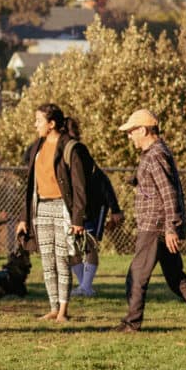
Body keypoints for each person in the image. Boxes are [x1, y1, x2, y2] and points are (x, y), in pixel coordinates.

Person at [117, 107, 186, 334]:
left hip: (155, 226)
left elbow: (168, 192)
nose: (129, 136)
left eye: (132, 131)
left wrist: (171, 229)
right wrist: (137, 180)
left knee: (136, 275)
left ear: (144, 130)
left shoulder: (155, 155)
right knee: (175, 278)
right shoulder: (156, 152)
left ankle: (131, 324)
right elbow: (159, 186)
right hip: (161, 226)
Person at [20, 102, 98, 323]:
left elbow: (80, 187)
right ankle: (53, 307)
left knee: (63, 259)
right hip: (41, 208)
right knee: (47, 261)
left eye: (39, 121)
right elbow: (29, 186)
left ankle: (63, 310)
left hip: (63, 210)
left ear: (51, 124)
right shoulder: (37, 147)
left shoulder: (70, 148)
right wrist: (24, 218)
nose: (35, 125)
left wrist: (78, 219)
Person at [66, 115, 121, 297]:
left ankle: (86, 286)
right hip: (74, 207)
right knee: (72, 246)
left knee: (89, 244)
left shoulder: (79, 151)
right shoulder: (61, 152)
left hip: (95, 205)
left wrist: (115, 209)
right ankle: (84, 286)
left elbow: (103, 181)